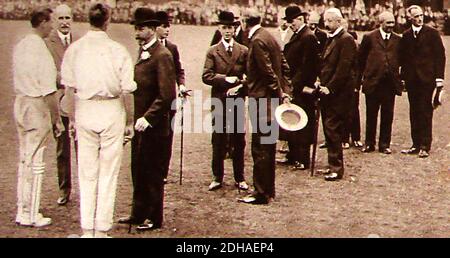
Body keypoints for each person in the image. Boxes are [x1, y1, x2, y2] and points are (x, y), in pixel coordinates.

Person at [61, 3, 136, 238]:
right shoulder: (118, 50)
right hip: (111, 109)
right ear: (107, 21)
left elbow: (69, 89)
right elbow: (127, 91)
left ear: (88, 20)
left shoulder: (75, 49)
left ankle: (88, 230)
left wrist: (73, 119)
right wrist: (129, 122)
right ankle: (100, 230)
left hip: (85, 109)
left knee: (87, 171)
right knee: (108, 171)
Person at [118, 7, 176, 231]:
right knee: (139, 169)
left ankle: (154, 217)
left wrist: (149, 117)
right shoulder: (143, 51)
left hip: (154, 125)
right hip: (140, 124)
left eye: (140, 28)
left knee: (152, 171)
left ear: (152, 29)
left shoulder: (162, 55)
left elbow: (167, 95)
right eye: (135, 28)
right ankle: (138, 212)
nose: (136, 32)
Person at [13, 7, 64, 228]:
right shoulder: (40, 50)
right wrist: (57, 120)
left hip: (21, 102)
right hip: (36, 105)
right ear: (42, 22)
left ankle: (22, 209)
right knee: (36, 162)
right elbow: (49, 92)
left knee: (26, 158)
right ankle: (31, 214)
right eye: (50, 22)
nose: (52, 26)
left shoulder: (22, 44)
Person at [237, 9, 291, 205]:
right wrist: (284, 92)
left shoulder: (258, 40)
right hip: (270, 102)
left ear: (244, 22)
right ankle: (268, 190)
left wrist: (278, 92)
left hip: (262, 102)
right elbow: (283, 67)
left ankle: (260, 193)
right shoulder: (270, 37)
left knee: (260, 148)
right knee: (267, 147)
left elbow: (267, 72)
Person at [202, 11, 249, 192]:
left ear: (234, 28)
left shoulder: (243, 50)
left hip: (237, 99)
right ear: (219, 28)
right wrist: (225, 80)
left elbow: (250, 75)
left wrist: (239, 85)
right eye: (224, 27)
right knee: (219, 138)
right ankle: (217, 176)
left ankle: (240, 177)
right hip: (220, 100)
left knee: (239, 139)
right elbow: (206, 76)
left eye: (230, 27)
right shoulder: (213, 51)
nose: (227, 31)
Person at [399, 5, 446, 158]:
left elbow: (440, 56)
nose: (419, 19)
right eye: (416, 16)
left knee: (425, 111)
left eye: (421, 15)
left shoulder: (432, 33)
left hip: (427, 79)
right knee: (414, 111)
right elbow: (403, 58)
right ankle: (416, 144)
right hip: (412, 80)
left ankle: (425, 145)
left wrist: (439, 79)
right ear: (410, 18)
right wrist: (404, 78)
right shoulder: (406, 36)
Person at [317, 8, 357, 181]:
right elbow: (326, 64)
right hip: (327, 92)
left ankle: (336, 167)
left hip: (338, 94)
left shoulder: (346, 40)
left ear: (338, 21)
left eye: (329, 21)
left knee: (333, 128)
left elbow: (343, 69)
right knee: (328, 128)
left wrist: (330, 87)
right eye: (325, 21)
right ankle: (332, 163)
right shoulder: (331, 38)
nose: (326, 24)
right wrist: (320, 81)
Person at [278, 5, 319, 170]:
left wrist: (294, 85)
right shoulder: (298, 35)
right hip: (295, 85)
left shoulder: (307, 37)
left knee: (302, 123)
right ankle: (293, 155)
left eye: (292, 21)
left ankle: (302, 158)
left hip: (301, 88)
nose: (290, 24)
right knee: (292, 120)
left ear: (300, 19)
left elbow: (307, 66)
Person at [45, 3, 77, 206]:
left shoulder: (79, 42)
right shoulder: (48, 43)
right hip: (59, 100)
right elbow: (47, 72)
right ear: (55, 20)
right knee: (62, 148)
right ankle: (64, 189)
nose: (65, 22)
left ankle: (87, 187)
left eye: (68, 18)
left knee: (83, 145)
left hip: (78, 101)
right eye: (61, 18)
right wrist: (67, 80)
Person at [359, 11, 403, 155]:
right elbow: (361, 59)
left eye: (392, 22)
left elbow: (402, 59)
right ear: (380, 23)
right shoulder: (369, 37)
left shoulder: (398, 39)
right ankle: (369, 143)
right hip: (373, 83)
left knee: (387, 115)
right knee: (371, 114)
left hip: (389, 84)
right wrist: (362, 78)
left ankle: (384, 144)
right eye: (388, 23)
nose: (391, 25)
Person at [154, 10, 188, 184]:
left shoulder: (172, 48)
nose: (167, 29)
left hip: (170, 100)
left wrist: (181, 85)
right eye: (163, 26)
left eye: (168, 26)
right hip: (153, 100)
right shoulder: (149, 47)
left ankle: (163, 172)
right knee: (154, 137)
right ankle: (153, 169)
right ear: (156, 28)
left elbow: (178, 70)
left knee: (168, 136)